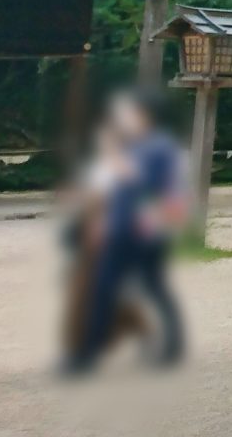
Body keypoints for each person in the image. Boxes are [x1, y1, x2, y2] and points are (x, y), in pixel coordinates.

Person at [63, 87, 190, 371]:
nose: (124, 120)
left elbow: (144, 183)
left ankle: (172, 344)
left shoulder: (161, 147)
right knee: (105, 288)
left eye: (129, 114)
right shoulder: (132, 146)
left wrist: (111, 154)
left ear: (145, 116)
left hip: (146, 230)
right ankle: (86, 354)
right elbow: (112, 189)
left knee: (151, 287)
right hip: (120, 228)